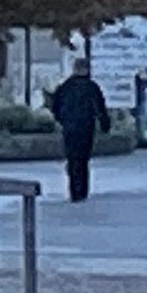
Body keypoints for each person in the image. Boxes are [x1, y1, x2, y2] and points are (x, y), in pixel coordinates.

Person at [47, 58, 109, 203]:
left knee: (72, 158)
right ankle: (82, 190)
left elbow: (55, 106)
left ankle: (73, 189)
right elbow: (100, 108)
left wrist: (62, 120)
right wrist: (105, 125)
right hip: (86, 126)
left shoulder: (65, 87)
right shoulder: (92, 87)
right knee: (83, 159)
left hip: (70, 127)